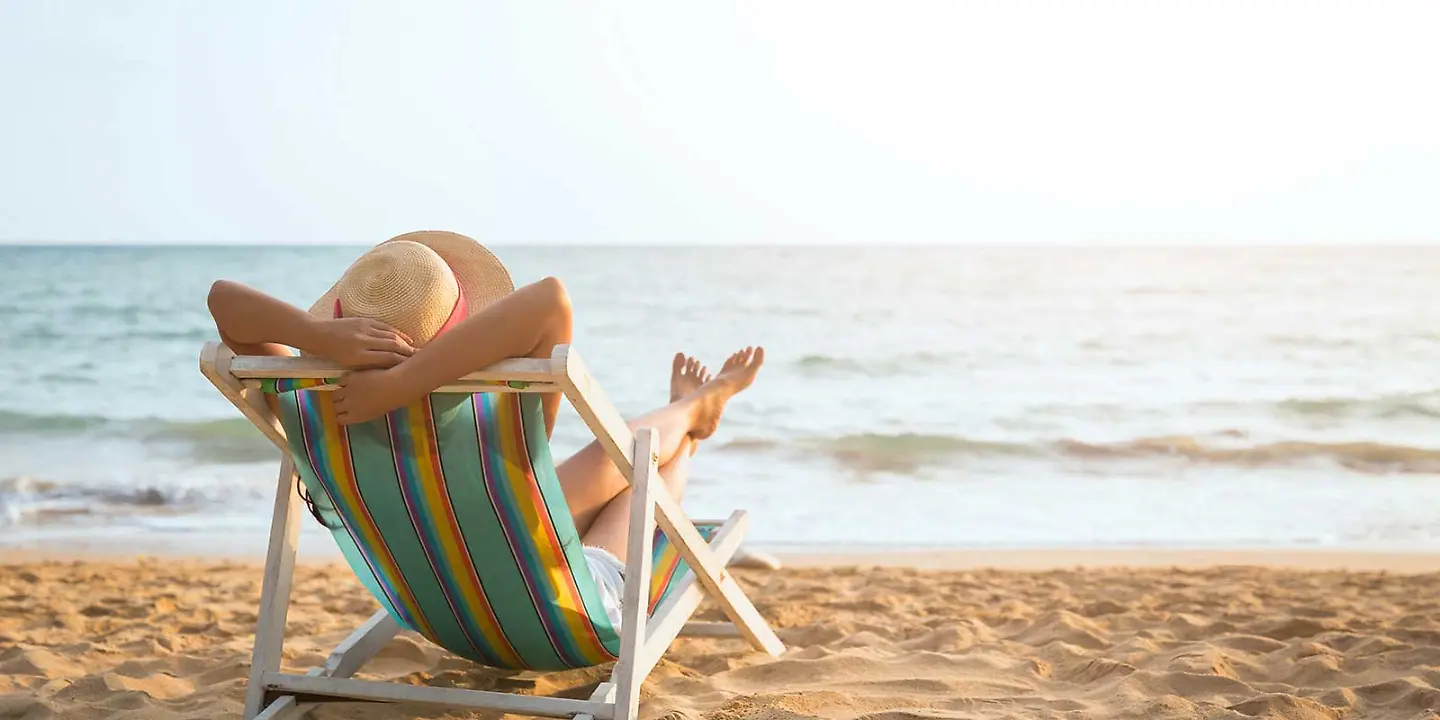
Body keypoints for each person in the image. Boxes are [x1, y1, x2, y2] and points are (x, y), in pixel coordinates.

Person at [206, 230, 763, 628]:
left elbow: (223, 301)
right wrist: (405, 383)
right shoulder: (483, 427)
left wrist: (319, 338)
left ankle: (693, 410)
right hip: (558, 607)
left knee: (616, 457)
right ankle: (694, 414)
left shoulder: (312, 410)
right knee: (642, 467)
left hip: (436, 604)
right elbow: (551, 299)